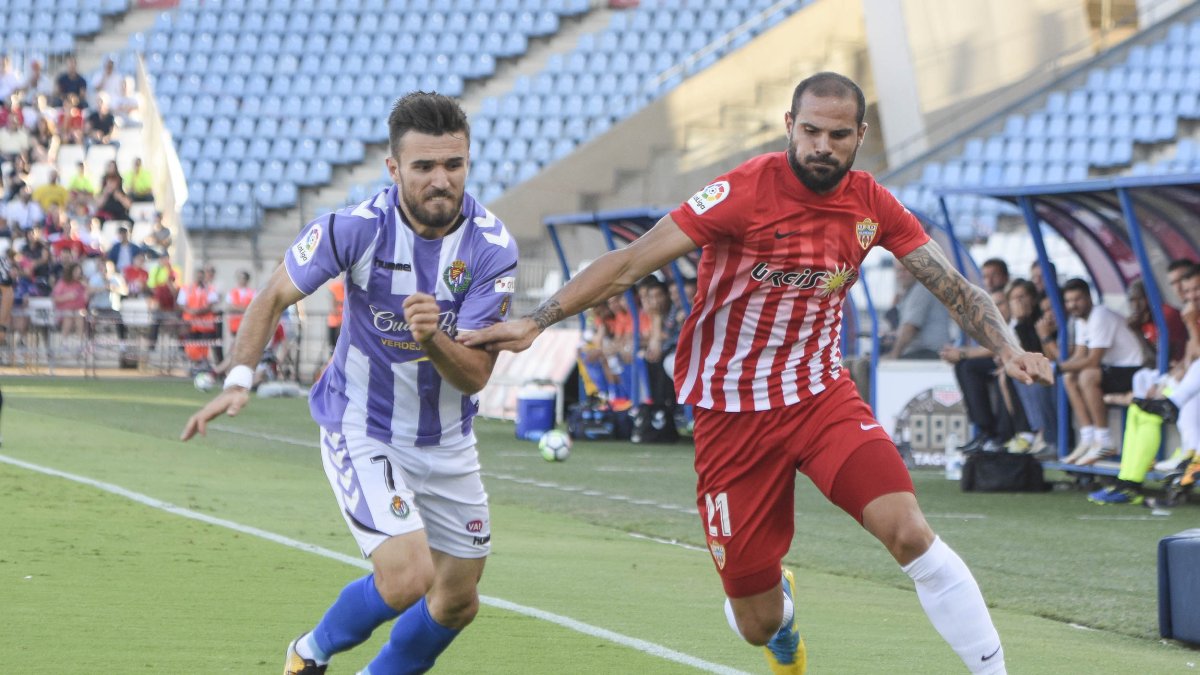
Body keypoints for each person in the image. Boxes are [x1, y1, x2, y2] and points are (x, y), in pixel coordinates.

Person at [462, 72, 1050, 675]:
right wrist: (537, 321)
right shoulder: (743, 192)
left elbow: (951, 284)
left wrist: (1005, 346)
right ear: (790, 126)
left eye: (839, 135)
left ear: (860, 136)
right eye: (812, 131)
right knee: (756, 621)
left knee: (908, 532)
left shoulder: (872, 203)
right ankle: (783, 622)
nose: (823, 146)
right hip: (730, 413)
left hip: (820, 398)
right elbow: (630, 263)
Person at [182, 92, 518, 675]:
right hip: (363, 426)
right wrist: (240, 378)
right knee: (408, 577)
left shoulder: (491, 248)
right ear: (394, 168)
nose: (441, 180)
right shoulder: (355, 229)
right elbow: (273, 296)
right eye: (424, 167)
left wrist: (434, 337)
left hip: (447, 439)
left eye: (453, 165)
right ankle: (308, 653)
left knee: (458, 600)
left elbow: (476, 376)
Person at [1057, 277, 1145, 465]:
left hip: (1134, 370)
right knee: (1069, 377)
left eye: (1077, 299)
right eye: (1068, 301)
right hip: (1114, 369)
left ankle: (1105, 441)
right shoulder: (1080, 320)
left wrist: (1055, 367)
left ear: (1089, 297)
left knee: (1088, 376)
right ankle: (1088, 437)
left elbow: (1092, 360)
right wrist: (1059, 368)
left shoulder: (1100, 314)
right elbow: (1079, 356)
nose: (1073, 305)